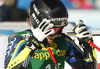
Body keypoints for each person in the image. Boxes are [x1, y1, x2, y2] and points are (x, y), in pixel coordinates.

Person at [4, 0, 97, 69]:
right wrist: (32, 45)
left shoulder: (63, 40)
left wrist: (87, 47)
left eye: (60, 29)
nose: (55, 34)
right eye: (51, 30)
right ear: (36, 23)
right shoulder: (20, 39)